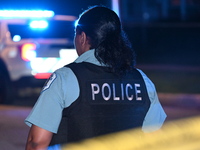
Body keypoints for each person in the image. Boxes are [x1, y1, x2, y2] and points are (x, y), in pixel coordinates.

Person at [25, 5, 166, 150]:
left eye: (76, 34)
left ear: (83, 37)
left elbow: (37, 143)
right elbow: (154, 140)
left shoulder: (65, 78)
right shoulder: (142, 81)